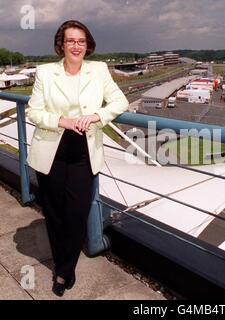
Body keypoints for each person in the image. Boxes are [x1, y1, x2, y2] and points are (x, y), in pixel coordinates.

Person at [26, 20, 129, 297]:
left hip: (84, 153)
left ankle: (63, 272)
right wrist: (62, 120)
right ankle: (64, 266)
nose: (76, 46)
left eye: (81, 41)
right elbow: (33, 112)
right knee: (54, 214)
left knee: (75, 213)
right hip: (51, 152)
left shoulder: (99, 70)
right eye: (70, 40)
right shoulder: (46, 73)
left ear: (88, 45)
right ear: (61, 44)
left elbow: (120, 102)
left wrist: (96, 116)